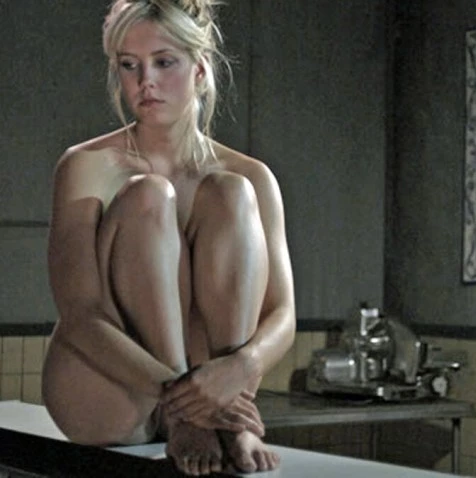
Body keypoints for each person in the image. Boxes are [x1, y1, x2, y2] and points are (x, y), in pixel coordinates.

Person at [41, 0, 296, 475]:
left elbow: (282, 313)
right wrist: (183, 401)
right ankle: (195, 416)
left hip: (213, 394)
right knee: (149, 196)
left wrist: (242, 368)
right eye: (129, 65)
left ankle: (223, 419)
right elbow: (80, 314)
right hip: (107, 387)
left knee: (231, 192)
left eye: (164, 62)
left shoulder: (252, 176)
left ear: (199, 69)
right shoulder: (85, 165)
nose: (146, 82)